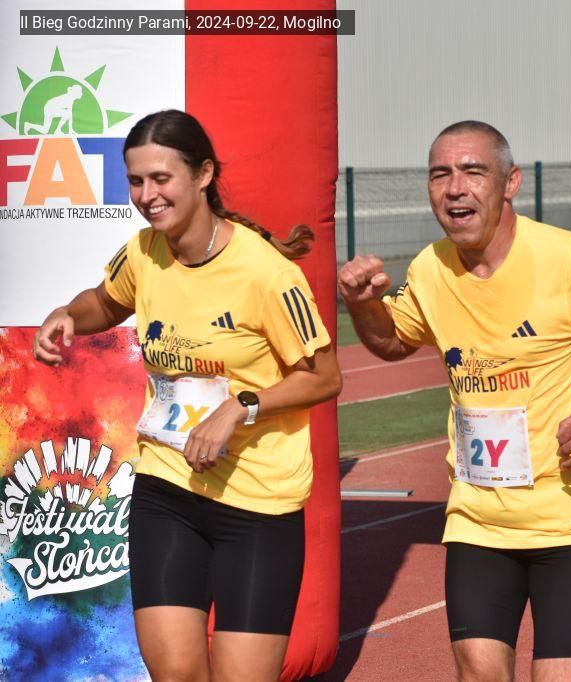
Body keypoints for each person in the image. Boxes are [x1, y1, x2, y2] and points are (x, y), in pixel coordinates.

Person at [338, 121, 571, 681]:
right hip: (478, 516)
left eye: (473, 171)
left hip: (566, 518)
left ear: (510, 182)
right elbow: (392, 341)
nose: (455, 187)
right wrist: (362, 305)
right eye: (440, 174)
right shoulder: (431, 268)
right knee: (479, 671)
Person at [32, 109, 342, 681]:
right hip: (167, 490)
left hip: (256, 504)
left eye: (161, 178)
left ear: (203, 175)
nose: (147, 195)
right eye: (136, 181)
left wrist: (240, 407)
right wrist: (67, 314)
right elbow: (105, 300)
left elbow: (324, 377)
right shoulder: (144, 251)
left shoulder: (267, 273)